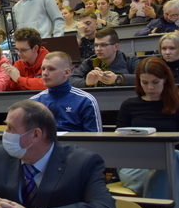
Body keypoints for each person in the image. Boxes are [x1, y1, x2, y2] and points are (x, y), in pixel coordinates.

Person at [116, 57, 179, 195]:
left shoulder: (176, 104)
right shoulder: (129, 105)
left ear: (165, 80)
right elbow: (119, 141)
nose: (150, 87)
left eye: (155, 82)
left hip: (171, 161)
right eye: (144, 82)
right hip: (135, 164)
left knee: (168, 167)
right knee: (165, 179)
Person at [30, 51, 103, 132]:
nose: (45, 73)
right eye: (43, 69)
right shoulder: (34, 102)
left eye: (51, 69)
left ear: (67, 72)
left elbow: (95, 137)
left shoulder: (85, 100)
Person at [69, 27, 140, 87]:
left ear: (116, 47)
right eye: (96, 45)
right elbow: (71, 80)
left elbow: (141, 78)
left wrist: (118, 79)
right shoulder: (89, 62)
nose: (98, 49)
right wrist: (86, 82)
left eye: (103, 45)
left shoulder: (131, 60)